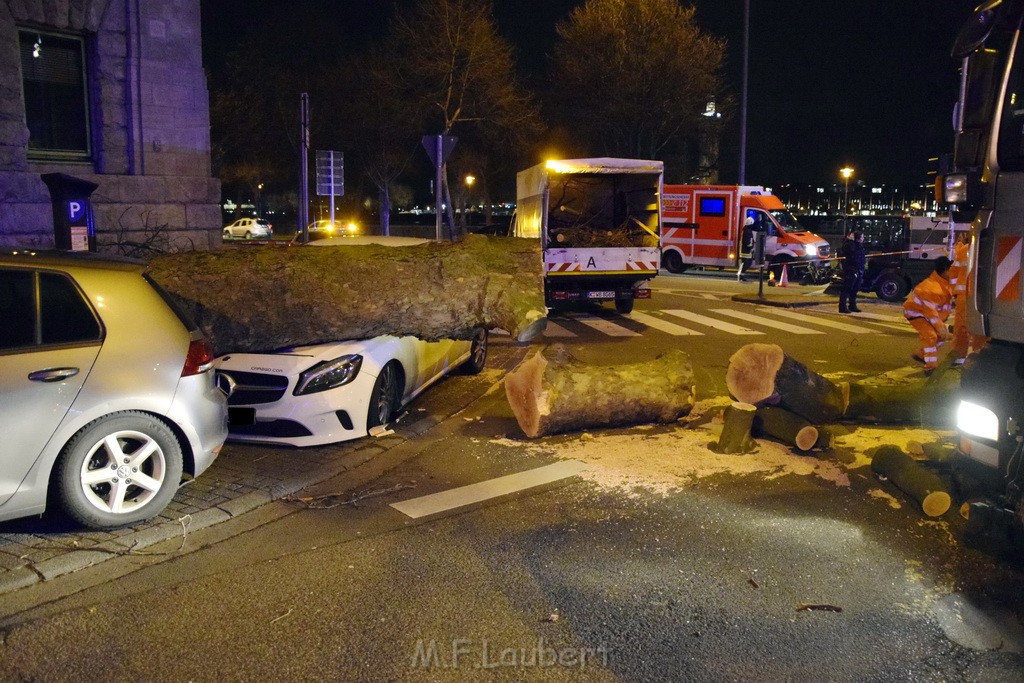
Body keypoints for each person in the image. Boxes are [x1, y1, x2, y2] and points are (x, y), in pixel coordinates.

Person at [903, 256, 954, 373]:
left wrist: (942, 325)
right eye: (952, 270)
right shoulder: (932, 288)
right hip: (915, 313)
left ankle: (921, 355)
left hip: (925, 313)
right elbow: (930, 311)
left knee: (940, 335)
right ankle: (930, 366)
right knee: (931, 336)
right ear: (945, 270)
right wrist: (940, 326)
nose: (954, 273)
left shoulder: (943, 283)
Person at [948, 237, 989, 364]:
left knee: (961, 327)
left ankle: (959, 357)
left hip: (963, 296)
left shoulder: (964, 250)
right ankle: (981, 354)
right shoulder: (989, 249)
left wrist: (954, 292)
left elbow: (953, 274)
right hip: (983, 296)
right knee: (982, 327)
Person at [838, 230, 866, 313]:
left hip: (858, 269)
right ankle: (842, 307)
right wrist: (850, 239)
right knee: (847, 289)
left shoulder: (859, 246)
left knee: (855, 289)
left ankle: (852, 305)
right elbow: (846, 249)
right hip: (851, 270)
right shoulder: (850, 245)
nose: (863, 238)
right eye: (862, 236)